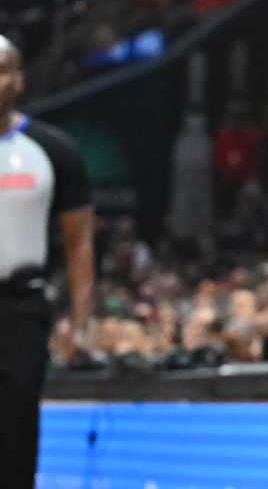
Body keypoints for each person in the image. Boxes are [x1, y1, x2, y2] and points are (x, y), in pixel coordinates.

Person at [0, 33, 95, 487]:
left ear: (19, 79)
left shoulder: (52, 149)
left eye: (2, 70)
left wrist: (80, 321)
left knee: (17, 430)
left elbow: (78, 243)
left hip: (21, 308)